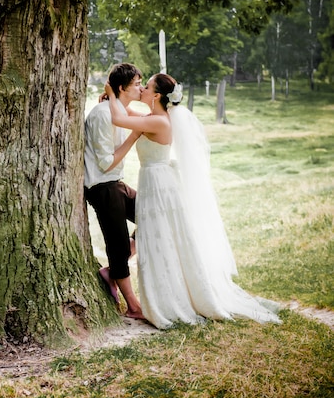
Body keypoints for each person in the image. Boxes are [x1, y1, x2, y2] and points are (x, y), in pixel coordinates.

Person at [103, 73, 281, 329]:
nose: (141, 88)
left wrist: (111, 93)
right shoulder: (155, 118)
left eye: (147, 85)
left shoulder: (159, 122)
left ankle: (167, 300)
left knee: (159, 237)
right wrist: (118, 99)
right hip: (154, 181)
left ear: (156, 96)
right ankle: (159, 294)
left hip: (159, 184)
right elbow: (128, 113)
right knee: (156, 236)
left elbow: (119, 118)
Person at [84, 63, 145, 320]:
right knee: (117, 243)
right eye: (137, 85)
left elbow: (142, 119)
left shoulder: (117, 109)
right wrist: (134, 136)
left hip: (116, 183)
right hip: (102, 187)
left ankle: (113, 269)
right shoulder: (101, 114)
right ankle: (133, 307)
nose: (141, 88)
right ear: (123, 88)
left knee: (154, 215)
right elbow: (105, 162)